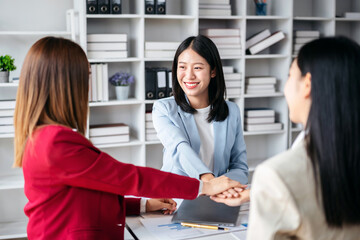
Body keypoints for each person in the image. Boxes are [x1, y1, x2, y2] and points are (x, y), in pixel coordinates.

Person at [13, 37, 244, 240]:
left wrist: (142, 204)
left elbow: (86, 195)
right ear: (65, 84)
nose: (89, 85)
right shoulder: (55, 143)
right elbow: (128, 177)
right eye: (87, 76)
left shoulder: (45, 138)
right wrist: (204, 185)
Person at [211, 36, 360, 239]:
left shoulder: (275, 175)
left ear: (307, 85)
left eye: (290, 76)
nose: (285, 88)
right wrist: (258, 193)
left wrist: (271, 190)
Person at [152, 35, 248, 184]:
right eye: (182, 67)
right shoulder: (163, 109)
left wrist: (223, 186)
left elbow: (240, 167)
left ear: (213, 71)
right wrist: (208, 181)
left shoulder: (232, 111)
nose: (189, 76)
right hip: (176, 199)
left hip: (218, 199)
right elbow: (179, 147)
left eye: (197, 67)